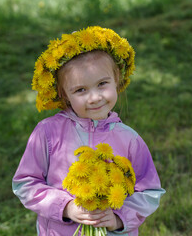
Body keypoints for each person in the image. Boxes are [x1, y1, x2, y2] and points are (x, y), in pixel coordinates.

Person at [12, 26, 165, 236]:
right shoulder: (48, 133)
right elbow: (25, 183)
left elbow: (149, 192)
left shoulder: (129, 139)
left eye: (102, 84)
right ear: (64, 94)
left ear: (117, 79)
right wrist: (65, 207)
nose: (94, 97)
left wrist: (119, 218)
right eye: (81, 90)